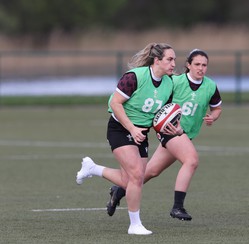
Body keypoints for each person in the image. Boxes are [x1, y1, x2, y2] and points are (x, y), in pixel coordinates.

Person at [104, 49, 222, 221]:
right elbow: (156, 94)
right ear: (188, 65)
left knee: (150, 171)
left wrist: (213, 117)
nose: (201, 68)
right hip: (169, 129)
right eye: (197, 64)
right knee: (191, 160)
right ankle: (177, 207)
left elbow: (217, 107)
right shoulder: (174, 81)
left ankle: (119, 190)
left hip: (184, 133)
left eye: (204, 65)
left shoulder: (210, 86)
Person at [75, 43, 178, 235]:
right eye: (169, 59)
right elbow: (115, 103)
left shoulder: (169, 83)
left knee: (127, 180)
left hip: (141, 133)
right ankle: (134, 224)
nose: (174, 64)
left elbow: (162, 115)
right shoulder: (134, 77)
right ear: (157, 60)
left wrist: (174, 128)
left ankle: (93, 168)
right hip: (120, 129)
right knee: (137, 176)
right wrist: (132, 128)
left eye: (174, 60)